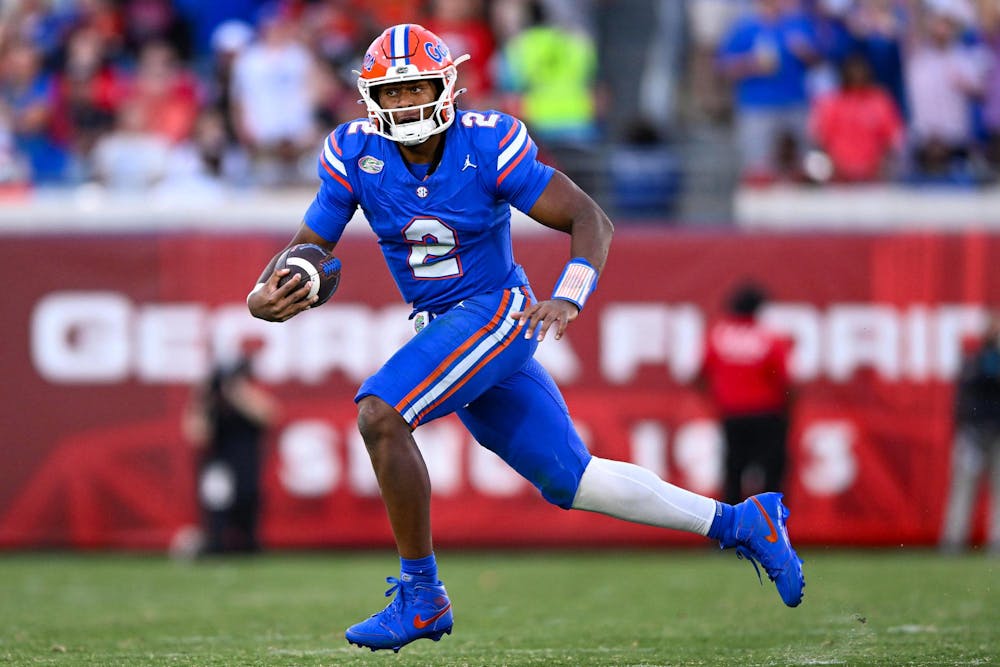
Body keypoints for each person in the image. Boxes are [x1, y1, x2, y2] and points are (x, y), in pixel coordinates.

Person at [246, 24, 805, 653]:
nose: (404, 104)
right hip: (445, 326)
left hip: (495, 312)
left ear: (444, 86)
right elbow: (309, 246)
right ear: (372, 97)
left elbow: (589, 218)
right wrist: (265, 292)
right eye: (392, 92)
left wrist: (568, 293)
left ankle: (422, 595)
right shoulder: (354, 153)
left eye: (416, 88)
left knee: (380, 412)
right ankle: (741, 521)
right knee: (573, 479)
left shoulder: (486, 143)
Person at [699, 282, 794, 506]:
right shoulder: (770, 338)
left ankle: (729, 531)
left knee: (733, 473)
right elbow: (786, 380)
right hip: (768, 415)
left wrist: (718, 398)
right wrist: (788, 414)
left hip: (733, 416)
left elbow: (700, 375)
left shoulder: (718, 335)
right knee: (772, 475)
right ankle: (771, 529)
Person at [182, 351, 280, 555]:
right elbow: (198, 436)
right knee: (217, 509)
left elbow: (269, 415)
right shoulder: (211, 403)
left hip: (246, 465)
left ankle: (248, 544)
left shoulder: (248, 397)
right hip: (218, 466)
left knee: (248, 508)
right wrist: (203, 399)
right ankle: (216, 544)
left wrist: (236, 393)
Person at [939, 318, 1000, 555]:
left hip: (997, 434)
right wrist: (966, 429)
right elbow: (964, 398)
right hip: (974, 434)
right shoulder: (975, 360)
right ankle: (954, 540)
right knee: (963, 489)